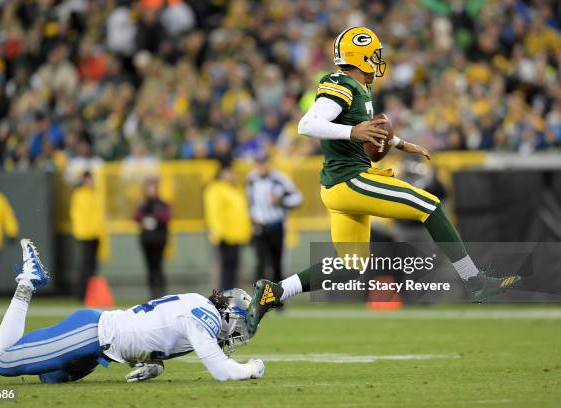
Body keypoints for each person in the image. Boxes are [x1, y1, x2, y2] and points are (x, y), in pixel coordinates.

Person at [246, 27, 522, 336]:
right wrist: (353, 133)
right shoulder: (341, 84)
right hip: (349, 180)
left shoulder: (358, 88)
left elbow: (371, 131)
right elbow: (307, 124)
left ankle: (274, 292)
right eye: (374, 55)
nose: (378, 61)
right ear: (359, 55)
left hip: (340, 186)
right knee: (428, 204)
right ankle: (474, 280)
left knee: (350, 265)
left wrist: (401, 143)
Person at [0, 239, 265, 383]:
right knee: (3, 363)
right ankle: (29, 281)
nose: (238, 333)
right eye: (240, 324)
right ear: (228, 314)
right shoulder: (203, 319)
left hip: (100, 349)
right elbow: (223, 373)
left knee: (49, 378)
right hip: (91, 333)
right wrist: (252, 368)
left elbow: (158, 330)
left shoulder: (198, 305)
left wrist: (154, 365)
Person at [246, 154, 302, 283]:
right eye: (258, 164)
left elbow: (298, 198)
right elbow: (250, 204)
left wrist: (281, 200)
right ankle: (259, 299)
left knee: (277, 264)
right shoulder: (251, 179)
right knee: (260, 263)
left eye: (263, 163)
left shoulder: (279, 179)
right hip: (259, 227)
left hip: (276, 226)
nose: (260, 167)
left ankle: (277, 299)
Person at [203, 166, 252, 289]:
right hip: (224, 236)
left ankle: (232, 298)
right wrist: (218, 232)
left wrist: (245, 232)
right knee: (223, 270)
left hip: (236, 235)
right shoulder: (216, 188)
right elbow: (214, 212)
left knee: (234, 270)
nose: (231, 175)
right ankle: (222, 298)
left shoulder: (236, 188)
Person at [69, 171, 108, 299]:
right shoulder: (79, 194)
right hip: (85, 234)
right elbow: (79, 215)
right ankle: (81, 294)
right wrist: (81, 231)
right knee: (85, 266)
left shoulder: (94, 194)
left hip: (95, 234)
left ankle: (91, 295)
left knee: (92, 266)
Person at [134, 177, 171, 297]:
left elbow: (166, 216)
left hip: (159, 240)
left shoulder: (162, 204)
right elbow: (136, 217)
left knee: (158, 266)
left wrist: (155, 217)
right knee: (150, 268)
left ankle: (161, 291)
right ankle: (153, 292)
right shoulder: (143, 205)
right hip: (147, 240)